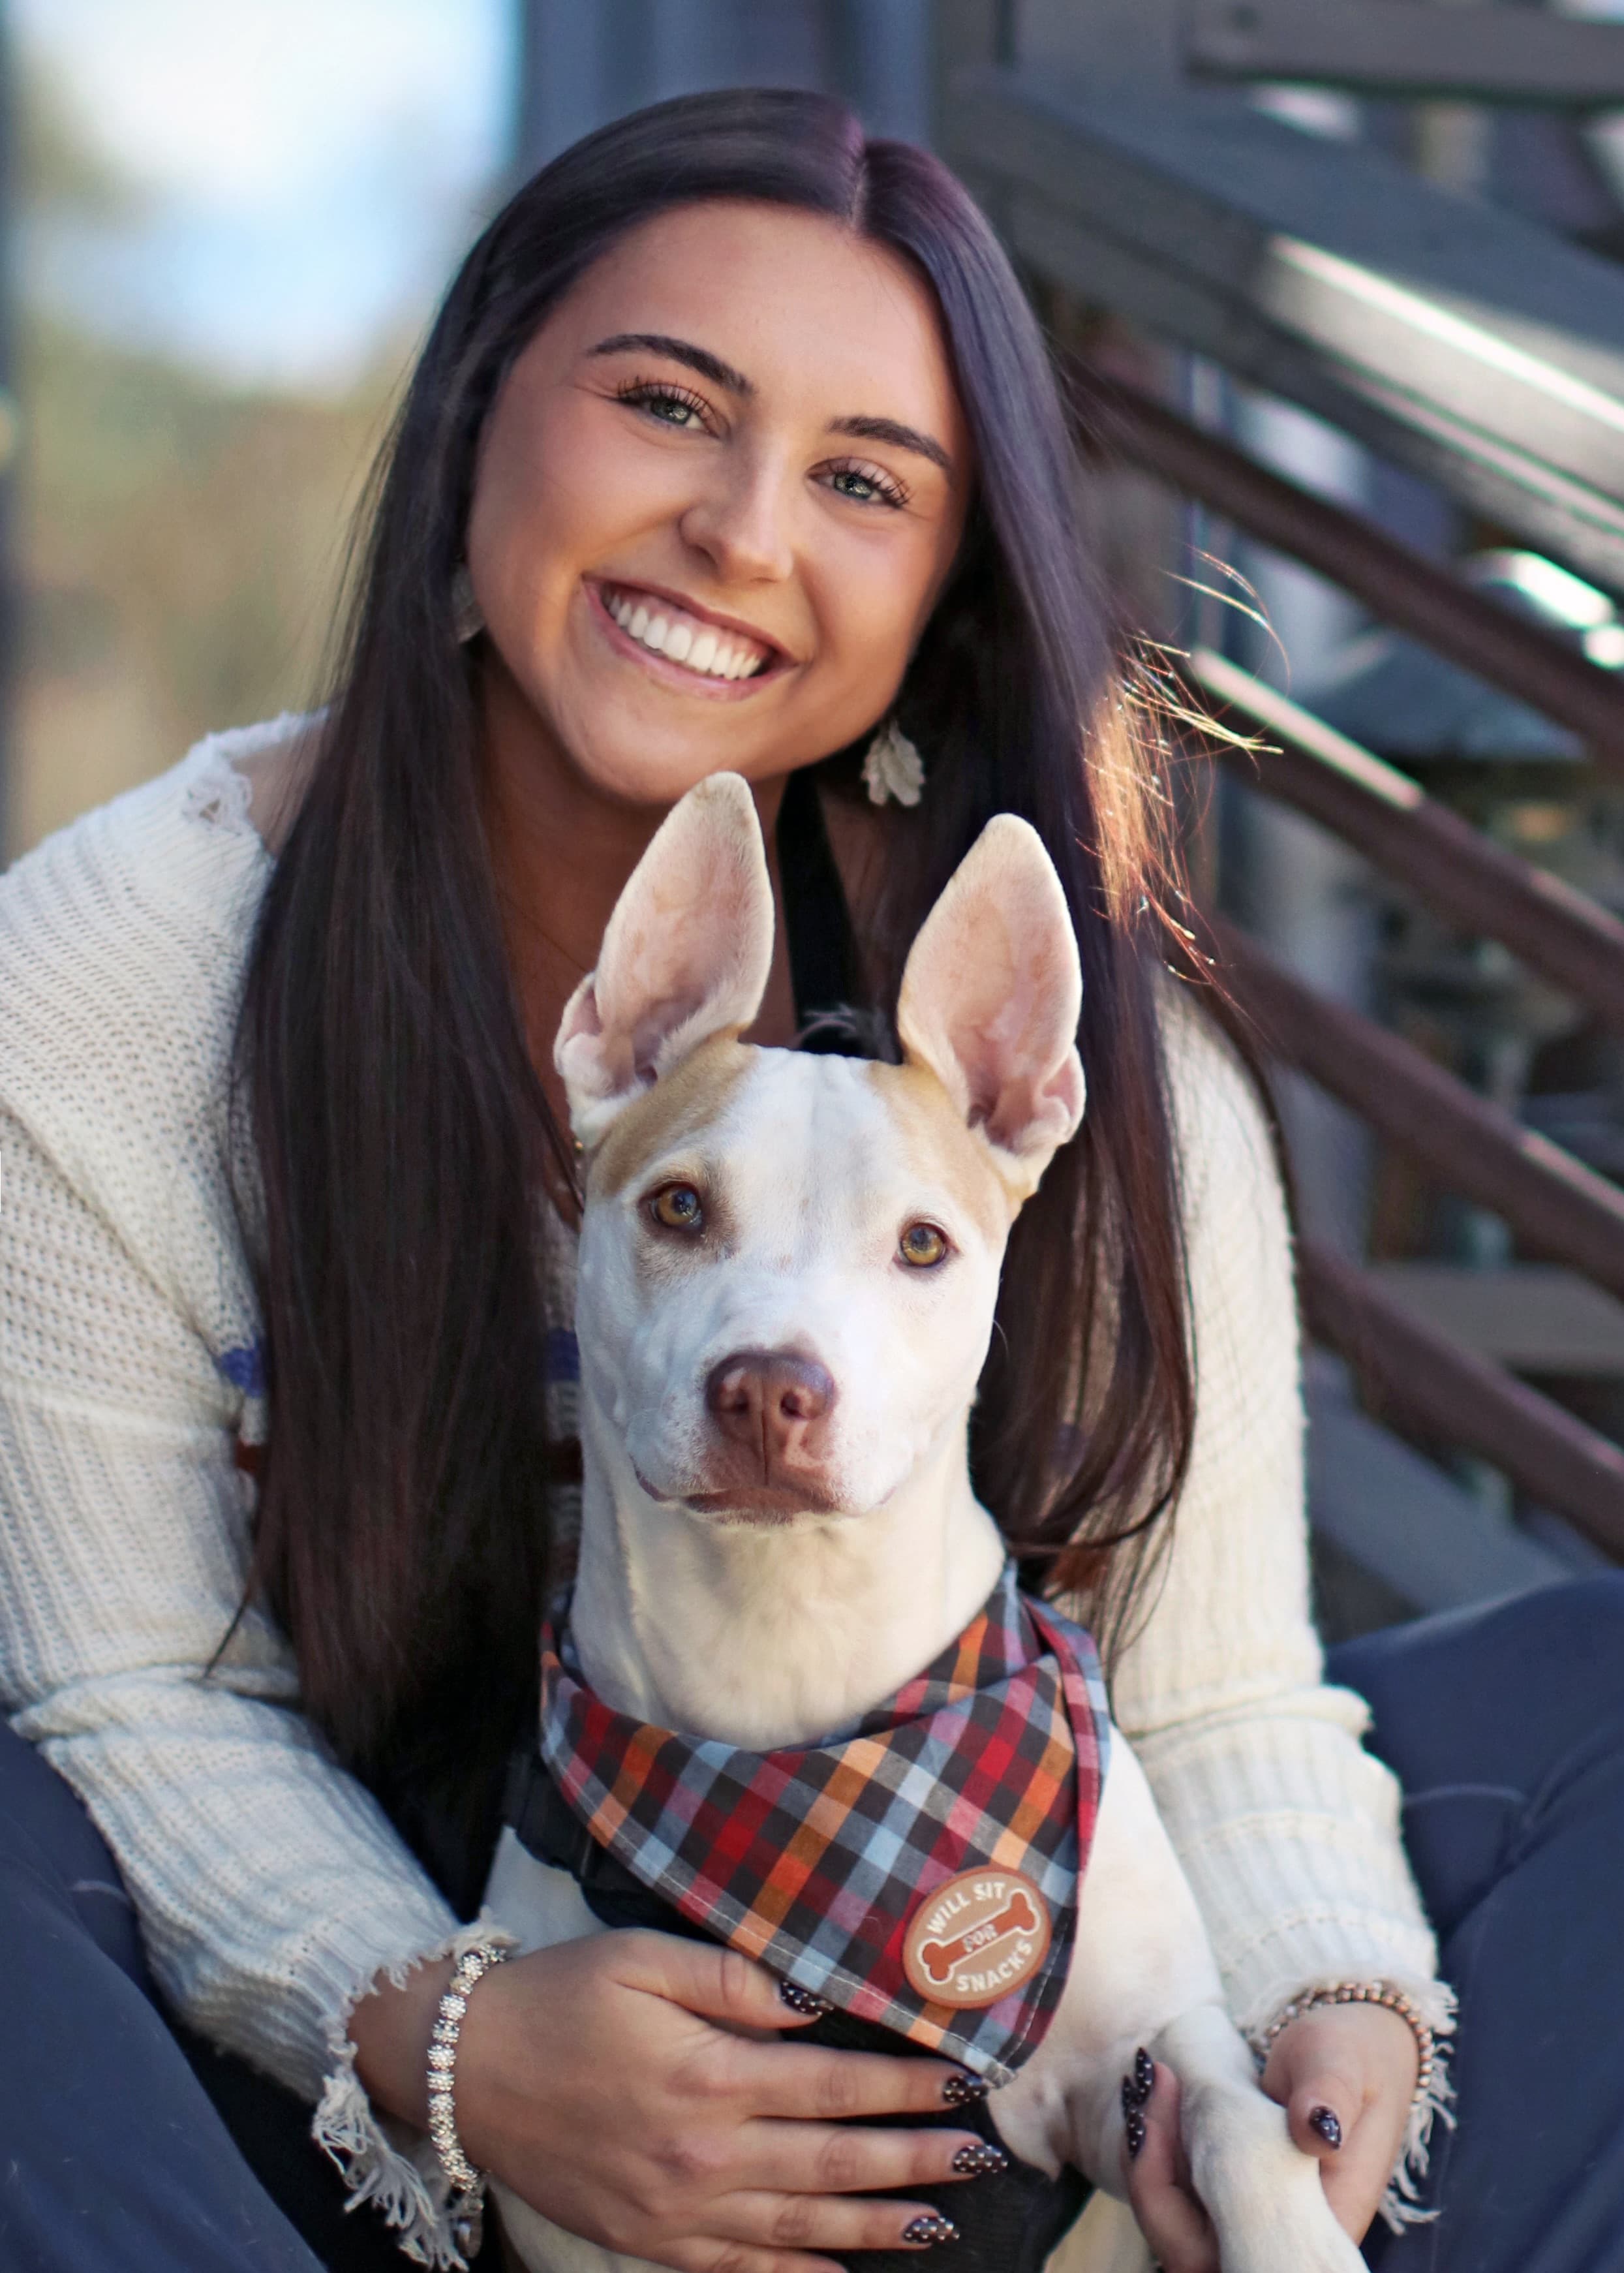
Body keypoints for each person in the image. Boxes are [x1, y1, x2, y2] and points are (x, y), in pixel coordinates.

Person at [1, 85, 1616, 2273]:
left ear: (943, 579)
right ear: (480, 413)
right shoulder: (116, 981)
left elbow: (1213, 1690)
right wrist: (465, 2046)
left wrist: (1332, 2018)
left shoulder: (1068, 1063)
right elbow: (135, 1691)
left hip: (992, 1987)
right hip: (373, 2058)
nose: (739, 532)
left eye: (863, 479)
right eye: (667, 403)